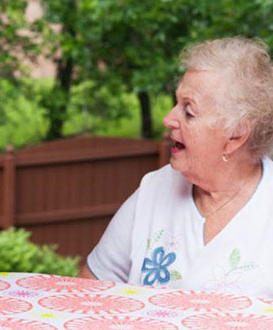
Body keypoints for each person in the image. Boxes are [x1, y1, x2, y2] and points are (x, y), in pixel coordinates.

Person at [80, 36, 273, 297]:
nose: (168, 119)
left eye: (189, 111)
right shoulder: (154, 189)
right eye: (175, 103)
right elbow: (89, 289)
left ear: (236, 136)